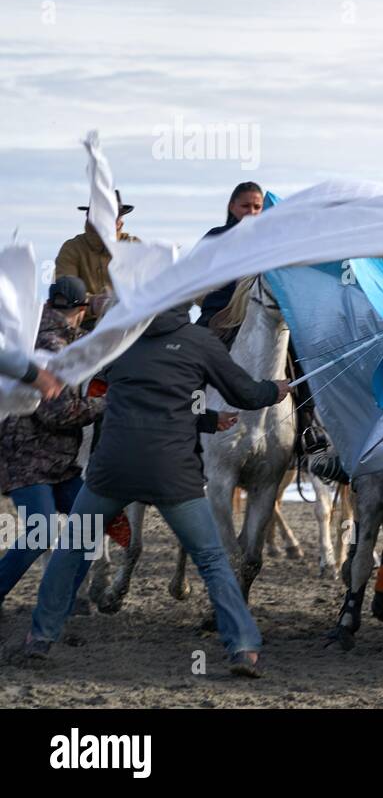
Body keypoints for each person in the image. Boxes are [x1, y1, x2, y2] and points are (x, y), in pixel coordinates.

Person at [22, 301, 291, 677]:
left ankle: (40, 637)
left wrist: (209, 420)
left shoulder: (121, 339)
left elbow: (127, 389)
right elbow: (245, 392)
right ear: (186, 304)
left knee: (72, 549)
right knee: (212, 560)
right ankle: (243, 647)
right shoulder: (200, 340)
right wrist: (272, 390)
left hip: (112, 467)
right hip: (171, 472)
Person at [0, 278, 104, 613]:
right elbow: (59, 414)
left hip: (57, 462)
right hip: (27, 459)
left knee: (88, 526)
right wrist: (106, 404)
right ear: (81, 310)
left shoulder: (52, 336)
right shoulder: (54, 345)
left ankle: (63, 600)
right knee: (41, 531)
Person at [54, 189, 139, 328]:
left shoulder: (134, 246)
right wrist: (93, 304)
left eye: (118, 216)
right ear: (90, 217)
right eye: (110, 216)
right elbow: (64, 292)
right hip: (85, 326)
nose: (120, 221)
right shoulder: (72, 249)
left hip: (129, 325)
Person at [196, 182, 265, 327]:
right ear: (232, 207)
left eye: (257, 207)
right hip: (218, 309)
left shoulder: (271, 239)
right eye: (245, 206)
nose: (251, 211)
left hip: (262, 310)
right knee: (197, 344)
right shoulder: (216, 236)